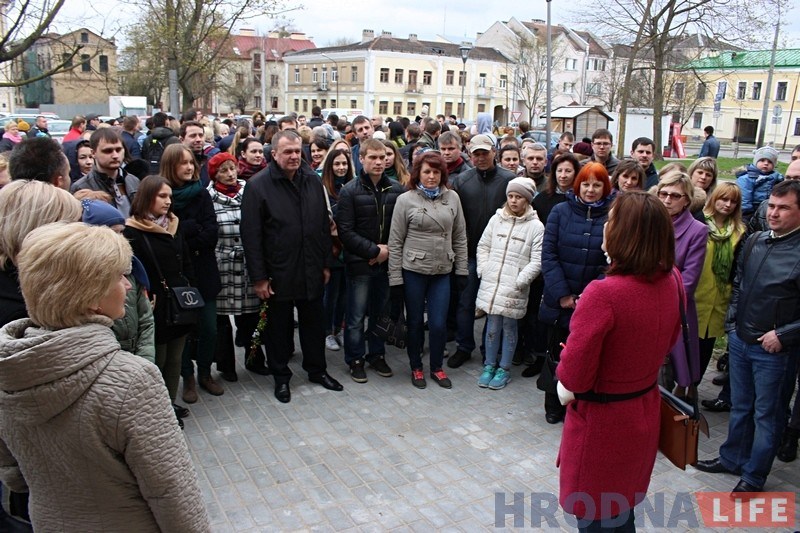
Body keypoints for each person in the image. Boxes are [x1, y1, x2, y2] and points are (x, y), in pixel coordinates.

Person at [0, 222, 209, 531]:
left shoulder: (10, 371)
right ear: (90, 296)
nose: (128, 286)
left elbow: (14, 476)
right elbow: (173, 495)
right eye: (120, 276)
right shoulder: (132, 380)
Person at [556, 191, 682, 532]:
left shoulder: (604, 293)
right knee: (621, 510)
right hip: (641, 412)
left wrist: (567, 359)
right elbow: (669, 340)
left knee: (597, 519)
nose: (605, 226)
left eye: (611, 220)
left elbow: (575, 378)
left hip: (602, 427)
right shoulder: (673, 279)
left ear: (624, 233)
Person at [695, 180, 800, 494]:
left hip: (775, 350)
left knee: (767, 414)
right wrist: (732, 324)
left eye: (784, 208)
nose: (773, 213)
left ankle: (754, 475)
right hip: (741, 340)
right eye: (771, 205)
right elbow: (738, 283)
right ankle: (732, 458)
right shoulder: (755, 240)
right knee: (741, 406)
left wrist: (784, 333)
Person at [241, 130, 344, 403]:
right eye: (288, 151)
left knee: (313, 324)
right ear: (273, 154)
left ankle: (317, 370)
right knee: (278, 329)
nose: (294, 156)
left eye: (298, 151)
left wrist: (325, 264)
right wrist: (259, 278)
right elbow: (251, 237)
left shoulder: (311, 180)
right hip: (278, 272)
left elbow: (322, 227)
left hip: (311, 268)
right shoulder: (257, 186)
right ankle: (281, 377)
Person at [539, 162, 613, 424]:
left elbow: (613, 260)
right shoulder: (560, 211)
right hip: (561, 301)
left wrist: (588, 298)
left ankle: (580, 405)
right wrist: (564, 295)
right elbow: (548, 254)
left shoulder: (613, 214)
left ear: (606, 187)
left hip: (594, 302)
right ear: (577, 185)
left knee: (587, 356)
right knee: (556, 354)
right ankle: (553, 403)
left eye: (596, 185)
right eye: (586, 184)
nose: (590, 190)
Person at [388, 151, 468, 389]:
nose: (431, 176)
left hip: (442, 270)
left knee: (438, 323)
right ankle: (415, 366)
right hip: (413, 269)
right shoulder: (406, 200)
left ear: (442, 173)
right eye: (426, 172)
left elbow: (460, 236)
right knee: (414, 322)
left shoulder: (452, 198)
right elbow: (395, 241)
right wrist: (395, 278)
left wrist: (462, 269)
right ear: (418, 174)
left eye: (436, 172)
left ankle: (436, 367)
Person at [123, 175, 196, 418]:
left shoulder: (174, 224)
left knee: (175, 358)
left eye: (170, 197)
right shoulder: (132, 230)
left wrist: (190, 289)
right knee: (158, 358)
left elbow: (186, 260)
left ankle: (169, 404)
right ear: (147, 197)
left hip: (178, 300)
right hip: (154, 303)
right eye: (162, 196)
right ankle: (157, 409)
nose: (167, 202)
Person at [335, 139, 405, 383]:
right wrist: (374, 251)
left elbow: (402, 228)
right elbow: (345, 231)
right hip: (360, 265)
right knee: (355, 316)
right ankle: (355, 358)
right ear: (361, 159)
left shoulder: (396, 190)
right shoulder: (350, 191)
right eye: (372, 157)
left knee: (381, 313)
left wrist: (387, 252)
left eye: (383, 157)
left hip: (387, 264)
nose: (378, 162)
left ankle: (376, 354)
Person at [159, 144, 223, 401]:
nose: (188, 167)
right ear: (170, 166)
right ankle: (188, 377)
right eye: (182, 163)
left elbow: (211, 235)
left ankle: (205, 372)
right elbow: (167, 238)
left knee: (209, 328)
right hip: (179, 276)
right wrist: (190, 229)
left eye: (191, 163)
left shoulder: (201, 194)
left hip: (204, 272)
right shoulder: (163, 195)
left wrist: (185, 231)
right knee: (183, 332)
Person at [448, 134, 515, 368]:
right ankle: (464, 346)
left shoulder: (509, 180)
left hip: (500, 255)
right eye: (476, 153)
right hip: (469, 254)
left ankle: (490, 350)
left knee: (494, 306)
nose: (481, 157)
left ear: (494, 152)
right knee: (466, 303)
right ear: (470, 154)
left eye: (485, 152)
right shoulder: (462, 181)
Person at [476, 178, 543, 389]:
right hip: (492, 283)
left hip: (514, 287)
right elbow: (483, 245)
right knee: (492, 325)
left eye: (519, 197)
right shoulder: (496, 220)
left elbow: (537, 260)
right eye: (511, 196)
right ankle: (489, 364)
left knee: (510, 326)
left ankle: (504, 367)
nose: (513, 201)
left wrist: (520, 281)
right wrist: (484, 269)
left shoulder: (536, 226)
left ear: (527, 199)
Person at [205, 152, 267, 381]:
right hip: (223, 265)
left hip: (248, 264)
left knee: (251, 317)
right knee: (222, 321)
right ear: (214, 174)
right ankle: (226, 365)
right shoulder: (208, 197)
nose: (230, 174)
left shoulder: (249, 190)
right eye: (224, 170)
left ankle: (254, 360)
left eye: (232, 168)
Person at [655, 171, 708, 392]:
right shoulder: (650, 222)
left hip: (674, 309)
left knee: (669, 374)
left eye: (675, 195)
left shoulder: (697, 230)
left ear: (687, 200)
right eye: (663, 193)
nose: (667, 200)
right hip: (642, 305)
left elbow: (689, 280)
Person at [694, 183, 744, 392]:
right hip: (694, 297)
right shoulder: (698, 222)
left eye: (733, 201)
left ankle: (692, 389)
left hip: (718, 302)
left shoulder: (740, 231)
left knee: (705, 349)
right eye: (724, 199)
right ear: (714, 199)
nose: (728, 204)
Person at [319, 148, 354, 352]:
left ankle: (338, 327)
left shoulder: (353, 187)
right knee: (330, 294)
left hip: (349, 249)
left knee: (344, 295)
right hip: (332, 250)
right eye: (337, 164)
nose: (341, 168)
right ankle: (326, 331)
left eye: (344, 164)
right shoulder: (323, 189)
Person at [71, 129, 140, 217]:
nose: (115, 155)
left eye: (118, 150)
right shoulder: (81, 187)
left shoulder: (133, 181)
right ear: (93, 153)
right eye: (108, 151)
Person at [737, 146, 783, 221]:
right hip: (750, 211)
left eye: (770, 162)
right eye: (762, 160)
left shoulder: (777, 178)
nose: (766, 163)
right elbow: (744, 196)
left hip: (768, 210)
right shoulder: (748, 178)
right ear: (755, 161)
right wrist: (746, 212)